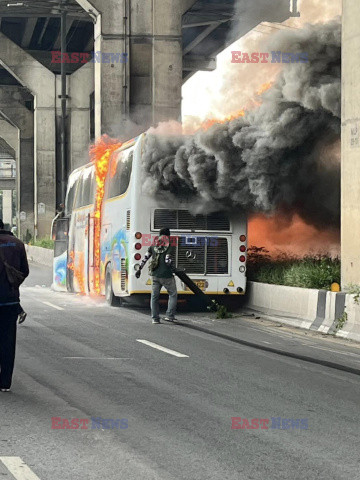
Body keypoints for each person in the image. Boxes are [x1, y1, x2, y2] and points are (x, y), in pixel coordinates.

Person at [0, 219, 29, 392]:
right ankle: (5, 383)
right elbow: (24, 271)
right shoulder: (17, 244)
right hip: (11, 301)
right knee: (8, 341)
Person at [136, 228, 177, 324]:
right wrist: (172, 267)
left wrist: (139, 269)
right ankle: (169, 316)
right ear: (168, 235)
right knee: (173, 294)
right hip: (166, 275)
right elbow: (167, 260)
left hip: (155, 275)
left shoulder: (154, 244)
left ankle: (155, 318)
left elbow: (146, 257)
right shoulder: (170, 244)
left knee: (154, 296)